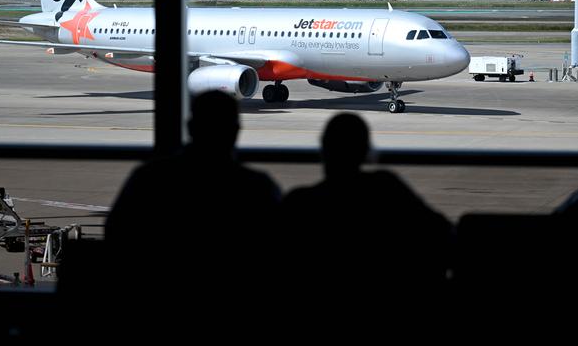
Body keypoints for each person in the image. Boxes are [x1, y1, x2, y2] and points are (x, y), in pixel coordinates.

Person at [103, 90, 281, 330]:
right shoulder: (258, 188)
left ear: (191, 126)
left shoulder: (150, 179)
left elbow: (116, 234)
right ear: (236, 130)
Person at [279, 113, 453, 301]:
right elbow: (440, 230)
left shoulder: (299, 202)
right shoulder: (386, 188)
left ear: (323, 149)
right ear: (367, 151)